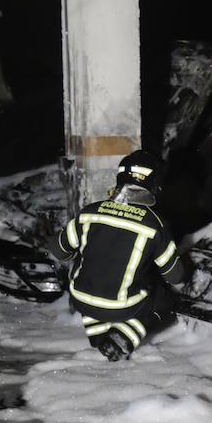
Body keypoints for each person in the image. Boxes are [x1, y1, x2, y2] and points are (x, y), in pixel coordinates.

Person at [55, 150, 185, 361]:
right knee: (165, 298)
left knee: (93, 270)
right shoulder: (154, 225)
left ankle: (98, 333)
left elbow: (59, 250)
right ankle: (123, 335)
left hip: (79, 298)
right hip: (120, 306)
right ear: (153, 184)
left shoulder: (89, 212)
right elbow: (176, 276)